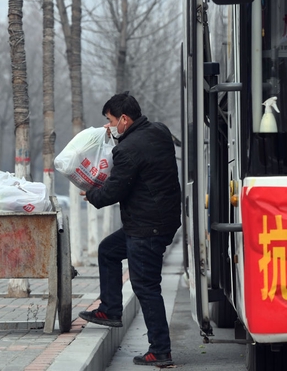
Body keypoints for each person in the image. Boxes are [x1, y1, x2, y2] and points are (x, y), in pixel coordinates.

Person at [78, 92, 181, 367]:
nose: (108, 127)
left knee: (146, 286)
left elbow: (114, 190)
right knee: (108, 251)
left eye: (110, 121)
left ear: (124, 119)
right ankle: (110, 310)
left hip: (147, 228)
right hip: (159, 220)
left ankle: (160, 351)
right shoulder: (159, 131)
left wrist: (91, 194)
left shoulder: (127, 149)